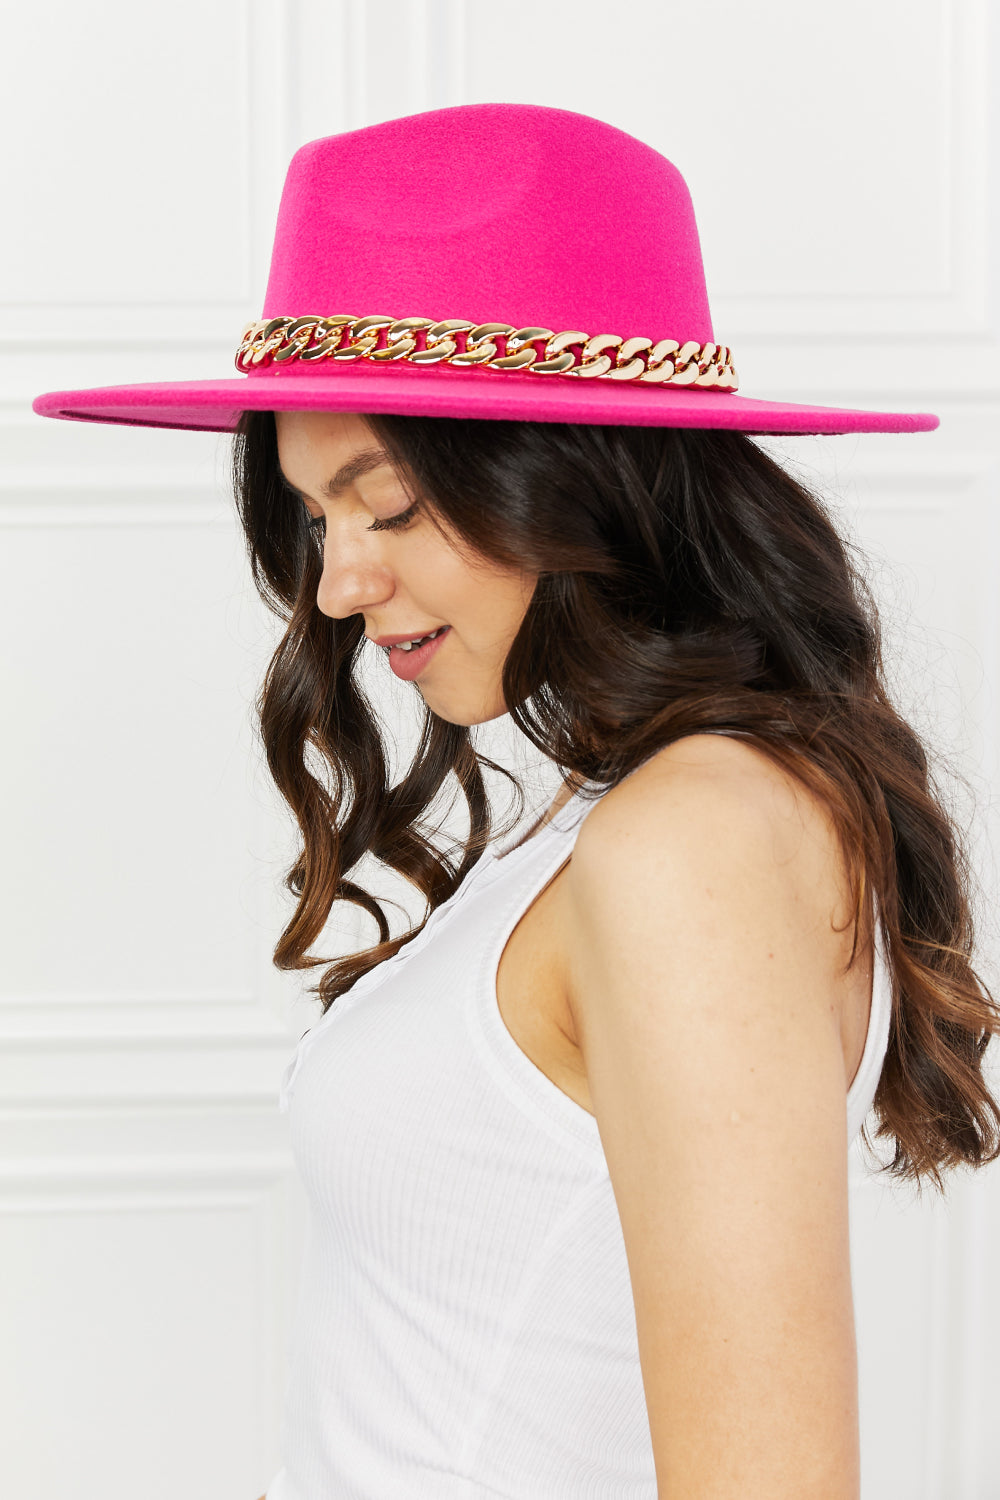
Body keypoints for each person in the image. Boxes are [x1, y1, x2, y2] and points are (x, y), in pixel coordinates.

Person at [34, 102, 1000, 1500]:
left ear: (575, 479)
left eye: (390, 508)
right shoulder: (622, 811)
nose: (338, 588)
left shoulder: (696, 839)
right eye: (317, 518)